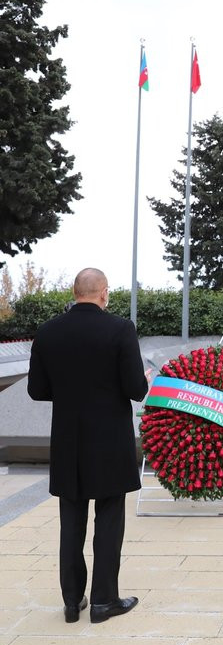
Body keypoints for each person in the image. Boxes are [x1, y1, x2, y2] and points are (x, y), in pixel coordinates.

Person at [27, 267, 148, 624]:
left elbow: (36, 390)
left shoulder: (48, 332)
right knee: (109, 518)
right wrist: (143, 380)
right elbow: (135, 389)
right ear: (104, 293)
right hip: (110, 441)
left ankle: (71, 601)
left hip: (68, 441)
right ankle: (103, 601)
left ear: (74, 292)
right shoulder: (120, 329)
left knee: (71, 521)